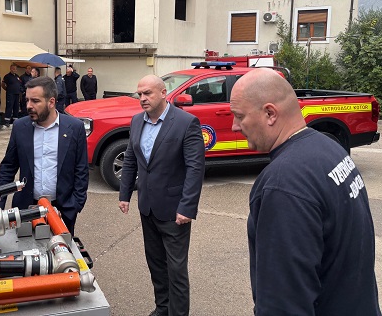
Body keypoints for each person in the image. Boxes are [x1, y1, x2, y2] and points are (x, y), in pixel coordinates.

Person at [229, 68, 381, 316]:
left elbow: (284, 304)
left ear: (270, 113)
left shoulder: (283, 184)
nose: (234, 126)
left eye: (239, 116)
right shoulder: (329, 148)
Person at [119, 75, 205, 316]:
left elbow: (195, 168)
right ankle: (163, 308)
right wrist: (125, 194)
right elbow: (131, 159)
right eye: (139, 94)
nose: (142, 98)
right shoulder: (137, 121)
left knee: (176, 270)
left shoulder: (186, 123)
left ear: (163, 93)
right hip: (147, 207)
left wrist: (187, 207)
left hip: (174, 210)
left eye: (147, 93)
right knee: (156, 264)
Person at [0, 76, 89, 235]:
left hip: (62, 210)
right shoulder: (20, 127)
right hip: (25, 209)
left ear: (51, 102)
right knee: (24, 250)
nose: (28, 106)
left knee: (61, 249)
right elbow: (8, 167)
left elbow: (81, 170)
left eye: (35, 101)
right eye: (27, 100)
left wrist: (74, 206)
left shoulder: (75, 128)